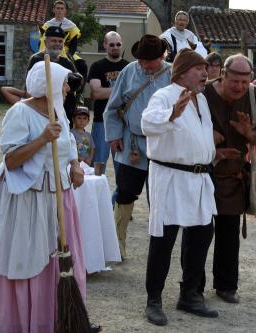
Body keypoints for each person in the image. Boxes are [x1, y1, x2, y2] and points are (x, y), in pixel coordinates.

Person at [0, 61, 89, 333]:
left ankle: (60, 317)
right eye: (64, 82)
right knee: (30, 258)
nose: (68, 88)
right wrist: (42, 138)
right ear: (48, 84)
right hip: (29, 199)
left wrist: (75, 165)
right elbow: (12, 159)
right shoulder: (20, 113)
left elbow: (69, 145)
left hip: (58, 196)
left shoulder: (59, 111)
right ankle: (26, 321)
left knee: (61, 262)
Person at [141, 48, 218, 326]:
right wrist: (172, 114)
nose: (204, 74)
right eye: (199, 69)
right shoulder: (163, 96)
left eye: (205, 69)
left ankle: (189, 294)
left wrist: (211, 153)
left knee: (201, 235)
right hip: (171, 177)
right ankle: (154, 300)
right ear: (184, 72)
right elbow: (147, 123)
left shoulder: (202, 100)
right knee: (163, 239)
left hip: (199, 178)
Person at [203, 54, 256, 303]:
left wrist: (249, 133)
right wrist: (206, 136)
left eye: (244, 82)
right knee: (198, 236)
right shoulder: (203, 94)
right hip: (202, 176)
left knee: (229, 235)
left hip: (233, 178)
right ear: (223, 73)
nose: (240, 87)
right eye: (235, 81)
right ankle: (192, 288)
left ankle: (226, 286)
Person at [103, 35, 171, 259]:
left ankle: (159, 247)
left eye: (147, 60)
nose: (142, 64)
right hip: (131, 144)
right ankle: (118, 244)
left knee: (159, 198)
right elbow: (112, 108)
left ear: (161, 57)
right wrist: (113, 135)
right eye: (140, 59)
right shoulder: (129, 71)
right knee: (124, 194)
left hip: (161, 146)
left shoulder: (173, 74)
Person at [88, 31, 129, 175]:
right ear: (105, 45)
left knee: (122, 168)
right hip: (102, 122)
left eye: (118, 44)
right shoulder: (97, 67)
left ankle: (117, 198)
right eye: (111, 44)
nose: (115, 47)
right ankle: (98, 197)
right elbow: (96, 93)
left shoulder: (128, 67)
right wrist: (121, 90)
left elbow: (134, 94)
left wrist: (108, 91)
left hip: (123, 123)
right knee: (97, 166)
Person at [28, 25, 81, 124]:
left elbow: (77, 82)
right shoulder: (37, 59)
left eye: (60, 41)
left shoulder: (67, 62)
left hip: (64, 113)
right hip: (42, 113)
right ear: (45, 42)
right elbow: (31, 86)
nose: (57, 44)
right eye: (54, 41)